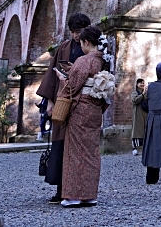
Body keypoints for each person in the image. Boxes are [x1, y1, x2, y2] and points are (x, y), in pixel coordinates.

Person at [37, 12, 91, 203]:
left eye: (79, 32)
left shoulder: (93, 49)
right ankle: (61, 190)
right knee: (61, 146)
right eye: (73, 32)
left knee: (78, 148)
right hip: (62, 101)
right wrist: (50, 102)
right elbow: (52, 75)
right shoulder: (64, 47)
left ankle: (81, 191)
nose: (76, 36)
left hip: (82, 102)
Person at [58, 25, 111, 208]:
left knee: (75, 152)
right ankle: (90, 195)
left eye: (81, 43)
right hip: (96, 109)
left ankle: (74, 195)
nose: (80, 46)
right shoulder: (104, 61)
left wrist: (63, 79)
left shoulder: (84, 60)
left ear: (86, 42)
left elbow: (73, 86)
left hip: (81, 110)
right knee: (91, 152)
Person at [130, 78, 146, 156]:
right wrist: (142, 95)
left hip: (145, 114)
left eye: (143, 83)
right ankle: (134, 148)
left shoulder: (146, 92)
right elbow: (134, 100)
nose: (142, 84)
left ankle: (145, 148)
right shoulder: (134, 92)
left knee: (145, 132)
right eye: (140, 83)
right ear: (137, 84)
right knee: (136, 132)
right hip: (137, 115)